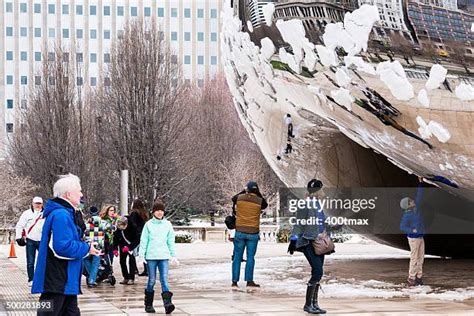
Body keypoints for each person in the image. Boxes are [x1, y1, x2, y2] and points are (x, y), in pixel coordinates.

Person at [32, 174, 101, 315]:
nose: (81, 194)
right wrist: (87, 248)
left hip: (64, 280)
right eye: (79, 191)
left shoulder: (64, 213)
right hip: (58, 279)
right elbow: (62, 247)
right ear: (69, 194)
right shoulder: (61, 215)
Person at [288, 179, 328, 314]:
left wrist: (334, 225)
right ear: (317, 191)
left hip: (319, 243)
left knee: (318, 271)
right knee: (318, 271)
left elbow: (321, 223)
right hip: (308, 242)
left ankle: (314, 303)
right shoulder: (305, 205)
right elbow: (299, 224)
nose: (324, 191)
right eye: (322, 189)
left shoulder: (318, 205)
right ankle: (307, 304)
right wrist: (293, 240)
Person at [139, 200, 177, 314]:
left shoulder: (167, 224)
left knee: (164, 279)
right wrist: (141, 257)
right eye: (157, 211)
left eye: (161, 211)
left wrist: (173, 255)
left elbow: (171, 241)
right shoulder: (148, 225)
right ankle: (148, 304)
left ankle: (167, 304)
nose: (160, 213)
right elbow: (144, 241)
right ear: (153, 212)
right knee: (151, 281)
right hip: (151, 256)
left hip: (164, 256)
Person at [231, 181, 268, 288]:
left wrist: (245, 190)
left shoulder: (239, 198)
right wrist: (257, 193)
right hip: (253, 232)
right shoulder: (259, 201)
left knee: (237, 257)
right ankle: (249, 281)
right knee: (250, 257)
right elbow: (265, 205)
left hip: (240, 231)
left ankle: (234, 281)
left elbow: (233, 198)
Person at [400, 177, 426, 286]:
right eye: (410, 201)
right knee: (414, 258)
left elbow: (419, 197)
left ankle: (419, 277)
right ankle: (411, 278)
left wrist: (421, 183)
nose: (413, 201)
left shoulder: (416, 209)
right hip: (413, 238)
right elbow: (402, 226)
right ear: (408, 205)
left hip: (420, 237)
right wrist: (412, 230)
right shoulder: (407, 215)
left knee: (421, 258)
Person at [15, 196, 45, 287]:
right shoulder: (26, 214)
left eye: (39, 203)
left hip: (42, 240)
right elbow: (20, 225)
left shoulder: (46, 213)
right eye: (36, 203)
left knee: (43, 261)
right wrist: (18, 237)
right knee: (30, 261)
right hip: (30, 240)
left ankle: (42, 279)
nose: (37, 205)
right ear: (32, 203)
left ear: (42, 204)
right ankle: (31, 279)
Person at [114, 216, 139, 285]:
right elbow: (115, 239)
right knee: (122, 261)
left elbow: (137, 240)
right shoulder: (119, 230)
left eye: (123, 226)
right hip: (122, 246)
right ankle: (126, 277)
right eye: (120, 226)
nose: (121, 227)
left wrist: (130, 247)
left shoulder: (133, 227)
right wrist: (115, 249)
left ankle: (131, 278)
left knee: (132, 261)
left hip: (131, 246)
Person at [130, 199, 150, 277]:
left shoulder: (134, 213)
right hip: (143, 233)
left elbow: (132, 224)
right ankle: (147, 269)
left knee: (131, 252)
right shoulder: (144, 213)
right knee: (144, 252)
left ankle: (134, 269)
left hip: (136, 235)